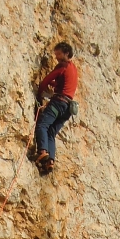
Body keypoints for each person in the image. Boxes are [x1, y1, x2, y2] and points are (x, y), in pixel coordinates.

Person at [33, 42, 77, 174]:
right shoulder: (73, 68)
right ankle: (50, 161)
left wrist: (40, 92)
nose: (56, 57)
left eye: (58, 54)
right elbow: (62, 83)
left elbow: (47, 80)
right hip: (68, 108)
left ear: (66, 53)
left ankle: (42, 152)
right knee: (51, 132)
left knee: (42, 125)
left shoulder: (63, 65)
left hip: (58, 102)